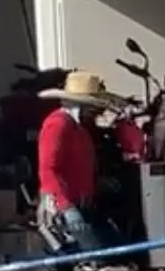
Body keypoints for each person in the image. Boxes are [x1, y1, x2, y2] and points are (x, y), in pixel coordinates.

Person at [35, 70, 119, 259]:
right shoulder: (58, 125)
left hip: (84, 206)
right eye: (89, 106)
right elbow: (48, 169)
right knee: (97, 259)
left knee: (114, 251)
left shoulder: (79, 129)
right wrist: (66, 208)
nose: (92, 111)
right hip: (64, 209)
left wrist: (98, 183)